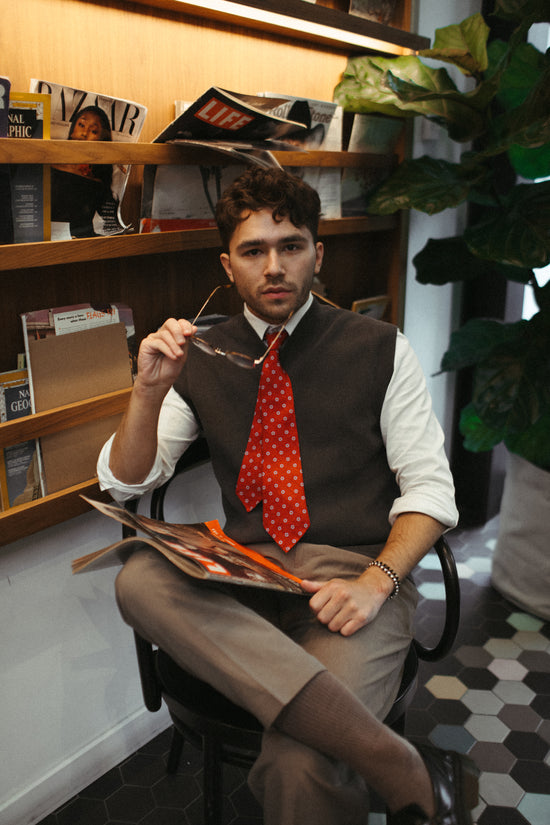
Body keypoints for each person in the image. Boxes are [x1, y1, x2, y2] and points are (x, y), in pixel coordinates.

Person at [97, 167, 478, 825]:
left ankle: (365, 748)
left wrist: (378, 579)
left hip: (353, 579)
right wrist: (148, 390)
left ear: (317, 253)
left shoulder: (381, 348)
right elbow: (128, 480)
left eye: (291, 246)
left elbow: (431, 492)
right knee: (137, 578)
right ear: (228, 263)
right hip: (251, 576)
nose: (274, 266)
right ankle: (388, 755)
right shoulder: (201, 353)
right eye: (253, 251)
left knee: (301, 761)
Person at [51, 105, 114, 237]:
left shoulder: (96, 183)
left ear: (102, 141)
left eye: (94, 131)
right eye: (81, 124)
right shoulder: (49, 164)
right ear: (72, 128)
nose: (84, 133)